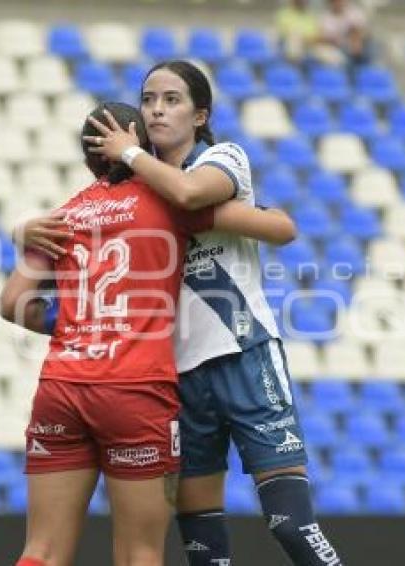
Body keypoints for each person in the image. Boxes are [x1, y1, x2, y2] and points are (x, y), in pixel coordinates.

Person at [20, 60, 343, 566]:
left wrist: (126, 153)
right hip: (174, 378)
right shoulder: (140, 196)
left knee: (290, 524)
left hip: (244, 355)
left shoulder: (221, 158)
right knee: (202, 544)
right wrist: (27, 237)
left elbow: (256, 218)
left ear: (200, 115)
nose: (156, 109)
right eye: (148, 99)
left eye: (171, 99)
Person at [318, 0, 372, 66]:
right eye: (335, 1)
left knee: (370, 46)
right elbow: (327, 39)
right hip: (338, 48)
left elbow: (362, 31)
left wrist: (356, 40)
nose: (338, 3)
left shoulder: (354, 12)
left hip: (359, 45)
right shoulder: (325, 17)